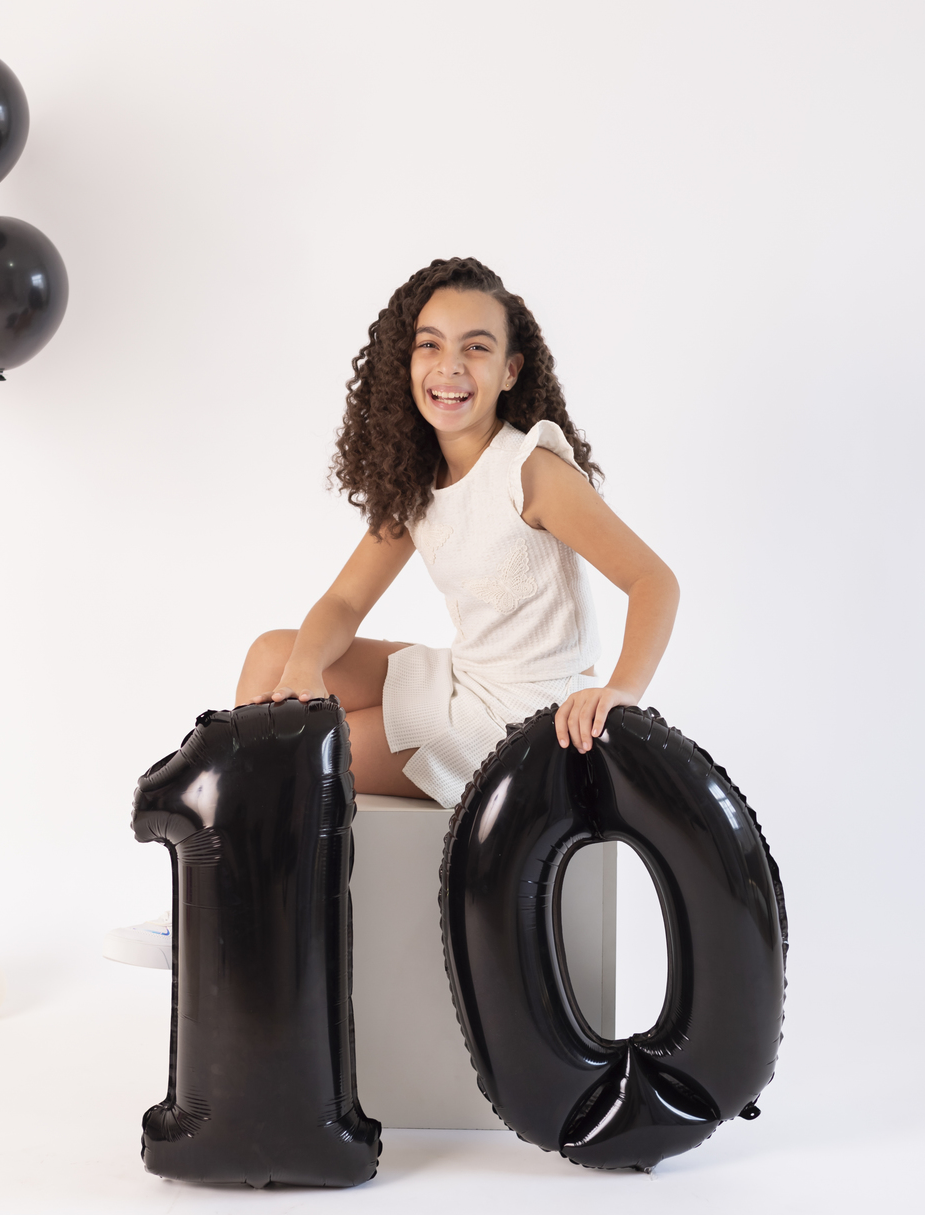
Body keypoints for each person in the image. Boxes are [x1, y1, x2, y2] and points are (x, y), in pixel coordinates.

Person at [234, 255, 679, 807]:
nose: (450, 367)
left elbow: (653, 580)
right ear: (406, 362)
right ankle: (248, 838)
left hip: (527, 715)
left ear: (510, 371)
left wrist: (621, 692)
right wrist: (305, 669)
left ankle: (256, 839)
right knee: (273, 656)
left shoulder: (530, 471)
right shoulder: (417, 480)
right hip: (465, 677)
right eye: (430, 344)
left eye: (476, 347)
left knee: (296, 754)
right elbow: (345, 601)